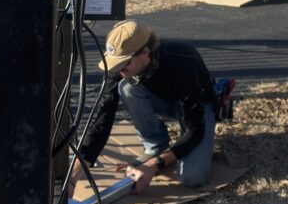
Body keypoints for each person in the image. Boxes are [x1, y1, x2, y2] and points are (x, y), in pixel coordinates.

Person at [76, 20, 217, 194]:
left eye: (124, 64)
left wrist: (154, 165)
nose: (119, 71)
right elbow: (102, 117)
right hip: (165, 101)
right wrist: (76, 171)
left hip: (198, 106)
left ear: (145, 52)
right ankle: (155, 145)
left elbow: (195, 129)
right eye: (115, 64)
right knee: (126, 87)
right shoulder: (120, 68)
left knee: (192, 177)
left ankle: (161, 154)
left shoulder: (182, 60)